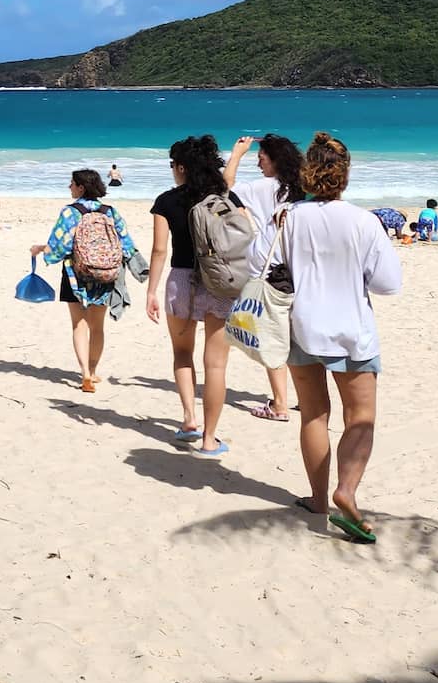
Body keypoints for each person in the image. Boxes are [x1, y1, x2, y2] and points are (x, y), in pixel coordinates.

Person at [248, 133, 401, 544]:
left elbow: (257, 263)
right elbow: (388, 284)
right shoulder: (365, 221)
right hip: (353, 330)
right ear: (345, 175)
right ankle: (346, 491)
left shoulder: (287, 216)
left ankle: (318, 499)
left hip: (302, 326)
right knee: (361, 417)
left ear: (307, 173)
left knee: (314, 415)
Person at [146, 135, 241, 456]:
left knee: (182, 354)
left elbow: (160, 250)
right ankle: (209, 438)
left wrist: (151, 291)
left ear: (182, 167)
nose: (172, 170)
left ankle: (189, 419)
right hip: (220, 282)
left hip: (182, 281)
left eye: (173, 165)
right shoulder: (225, 198)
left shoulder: (166, 202)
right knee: (215, 366)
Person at [31, 168, 138, 394]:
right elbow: (126, 244)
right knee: (97, 327)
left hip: (75, 274)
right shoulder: (110, 212)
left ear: (81, 187)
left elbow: (59, 246)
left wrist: (40, 250)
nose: (69, 186)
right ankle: (94, 369)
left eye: (71, 183)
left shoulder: (71, 212)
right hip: (106, 274)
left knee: (79, 324)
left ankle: (85, 375)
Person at [224, 134, 306, 423]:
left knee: (273, 338)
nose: (259, 163)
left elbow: (224, 187)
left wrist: (236, 154)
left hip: (269, 270)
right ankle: (306, 399)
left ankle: (280, 405)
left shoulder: (263, 187)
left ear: (274, 159)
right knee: (296, 339)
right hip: (298, 268)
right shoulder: (300, 189)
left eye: (262, 158)